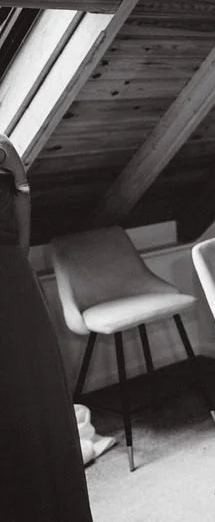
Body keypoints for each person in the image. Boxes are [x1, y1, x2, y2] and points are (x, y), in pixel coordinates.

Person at [0, 134, 93, 521]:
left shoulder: (3, 147)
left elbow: (22, 193)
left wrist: (15, 263)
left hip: (10, 280)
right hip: (11, 274)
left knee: (30, 396)